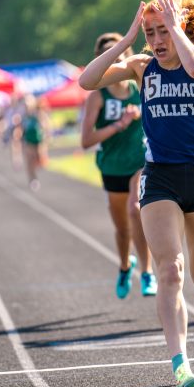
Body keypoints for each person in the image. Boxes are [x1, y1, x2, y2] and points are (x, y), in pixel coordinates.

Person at [79, 0, 194, 387]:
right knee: (170, 270)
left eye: (161, 31)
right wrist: (128, 39)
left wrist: (178, 25)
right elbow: (86, 81)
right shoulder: (141, 67)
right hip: (161, 177)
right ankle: (180, 363)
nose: (156, 40)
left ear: (179, 28)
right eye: (150, 33)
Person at [80, 32, 157, 299]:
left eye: (121, 52)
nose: (118, 57)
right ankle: (125, 266)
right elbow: (86, 140)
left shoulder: (139, 85)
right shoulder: (98, 96)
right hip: (112, 166)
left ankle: (147, 273)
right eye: (110, 53)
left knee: (135, 210)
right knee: (123, 228)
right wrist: (118, 125)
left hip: (140, 161)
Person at [21, 94, 50, 192]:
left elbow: (46, 125)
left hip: (39, 141)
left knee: (40, 162)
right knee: (29, 161)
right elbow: (21, 129)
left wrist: (46, 137)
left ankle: (37, 165)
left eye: (28, 103)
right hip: (28, 141)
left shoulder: (38, 114)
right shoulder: (24, 116)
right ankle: (33, 179)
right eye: (25, 104)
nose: (26, 105)